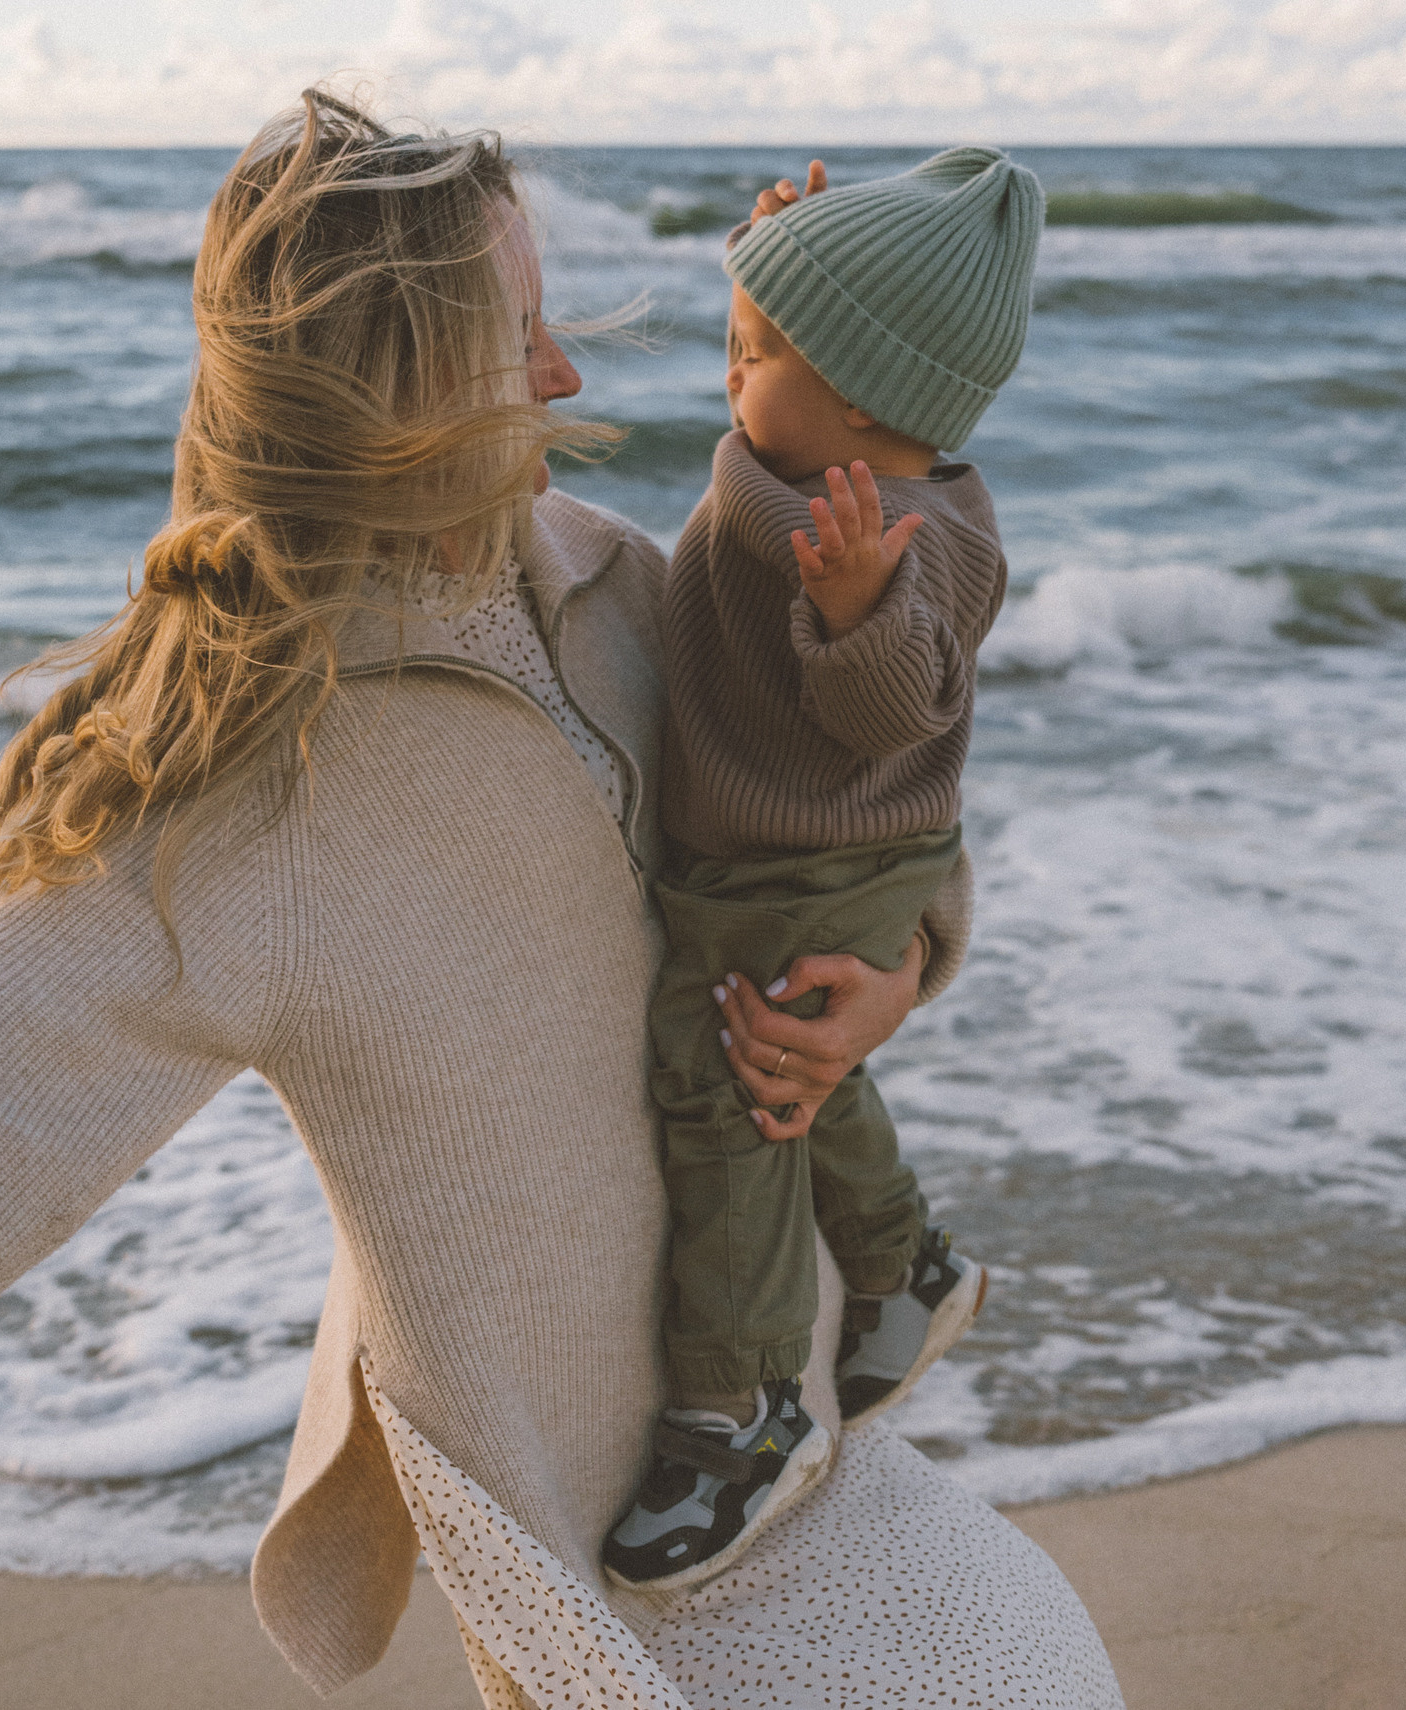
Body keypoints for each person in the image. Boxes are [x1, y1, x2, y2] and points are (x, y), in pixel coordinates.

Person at [0, 93, 1124, 1709]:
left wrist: (902, 962)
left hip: (786, 1426)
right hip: (596, 1529)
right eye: (522, 339)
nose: (566, 376)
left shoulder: (631, 585)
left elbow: (853, 796)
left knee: (1043, 1666)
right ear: (403, 396)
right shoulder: (259, 792)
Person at [603, 148, 1043, 1594]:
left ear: (856, 394)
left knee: (728, 1085)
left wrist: (857, 614)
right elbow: (789, 378)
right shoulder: (823, 458)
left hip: (819, 864)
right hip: (795, 855)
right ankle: (905, 1261)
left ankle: (742, 1410)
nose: (729, 378)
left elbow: (898, 705)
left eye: (754, 352)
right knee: (800, 1062)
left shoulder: (891, 538)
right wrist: (781, 251)